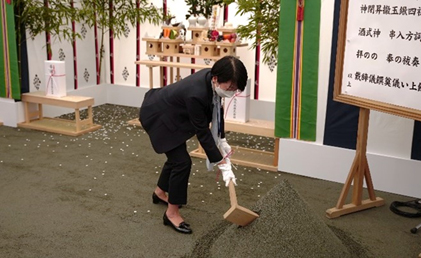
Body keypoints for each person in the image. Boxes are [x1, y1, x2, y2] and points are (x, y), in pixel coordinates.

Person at [139, 55, 248, 234]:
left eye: (235, 89)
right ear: (216, 79)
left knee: (176, 158)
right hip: (159, 116)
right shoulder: (196, 93)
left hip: (174, 114)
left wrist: (222, 139)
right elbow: (202, 132)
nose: (231, 92)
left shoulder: (212, 80)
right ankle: (171, 213)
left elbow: (217, 111)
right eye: (230, 88)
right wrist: (220, 162)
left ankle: (159, 193)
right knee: (182, 162)